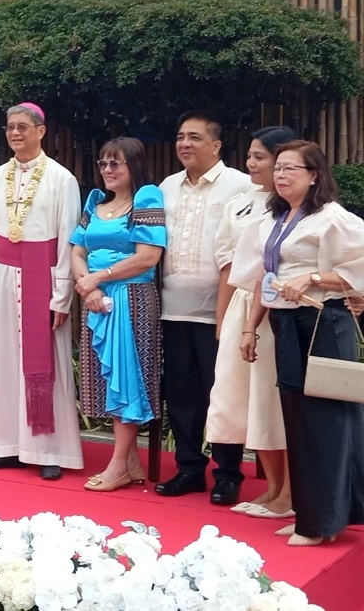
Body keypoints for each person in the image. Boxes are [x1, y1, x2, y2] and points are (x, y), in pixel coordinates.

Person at [232, 140, 364, 547]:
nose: (281, 175)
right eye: (279, 168)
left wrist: (314, 277)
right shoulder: (274, 219)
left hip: (324, 321)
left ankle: (321, 522)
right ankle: (311, 513)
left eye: (291, 168)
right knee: (296, 418)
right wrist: (250, 327)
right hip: (285, 322)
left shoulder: (332, 217)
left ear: (314, 175)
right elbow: (264, 279)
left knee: (325, 420)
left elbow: (357, 269)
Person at [0, 103, 84, 480]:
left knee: (47, 363)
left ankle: (48, 450)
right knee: (3, 362)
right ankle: (6, 446)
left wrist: (62, 296)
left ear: (41, 131)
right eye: (10, 127)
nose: (15, 133)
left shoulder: (62, 179)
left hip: (43, 276)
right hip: (3, 275)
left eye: (22, 127)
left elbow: (68, 240)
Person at [157, 112, 253, 504]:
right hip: (173, 308)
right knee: (181, 393)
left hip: (221, 310)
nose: (185, 144)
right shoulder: (166, 187)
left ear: (216, 145)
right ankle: (189, 469)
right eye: (181, 136)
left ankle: (228, 474)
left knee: (223, 392)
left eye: (195, 137)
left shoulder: (241, 186)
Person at [70, 137, 166, 492]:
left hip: (131, 298)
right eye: (103, 163)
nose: (107, 170)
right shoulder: (95, 202)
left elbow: (148, 256)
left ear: (133, 165)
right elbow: (76, 252)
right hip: (97, 299)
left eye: (116, 163)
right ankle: (130, 461)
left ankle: (118, 464)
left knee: (126, 376)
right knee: (105, 375)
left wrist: (100, 278)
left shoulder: (146, 199)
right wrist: (91, 288)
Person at [208, 126, 295, 519]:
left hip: (277, 308)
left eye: (259, 157)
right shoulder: (241, 203)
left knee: (270, 398)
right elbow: (227, 266)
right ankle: (273, 488)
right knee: (240, 398)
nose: (250, 164)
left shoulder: (295, 206)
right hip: (242, 306)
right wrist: (223, 318)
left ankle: (290, 492)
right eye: (249, 156)